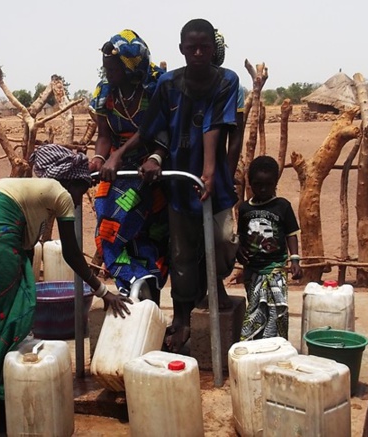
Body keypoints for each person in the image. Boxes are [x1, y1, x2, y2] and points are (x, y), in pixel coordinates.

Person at [0, 144, 131, 434]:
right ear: (72, 180)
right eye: (84, 187)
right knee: (9, 320)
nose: (84, 196)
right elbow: (71, 253)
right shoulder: (61, 193)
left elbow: (23, 249)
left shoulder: (22, 187)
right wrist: (104, 292)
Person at [138, 18, 242, 353]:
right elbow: (157, 130)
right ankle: (182, 316)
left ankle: (214, 284)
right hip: (181, 183)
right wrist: (154, 157)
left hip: (216, 181)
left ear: (214, 48)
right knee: (182, 251)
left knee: (225, 242)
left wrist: (216, 172)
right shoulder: (168, 85)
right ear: (182, 48)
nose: (198, 52)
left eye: (205, 46)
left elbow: (218, 126)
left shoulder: (227, 81)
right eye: (191, 46)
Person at [88, 29, 169, 303]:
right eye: (106, 67)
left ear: (130, 67)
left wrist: (150, 157)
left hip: (151, 165)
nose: (107, 72)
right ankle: (133, 281)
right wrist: (100, 158)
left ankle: (147, 286)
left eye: (113, 68)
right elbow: (103, 135)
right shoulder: (105, 91)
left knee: (150, 233)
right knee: (108, 230)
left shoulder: (157, 86)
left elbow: (155, 130)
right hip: (117, 168)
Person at [236, 156, 302, 340]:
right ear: (250, 183)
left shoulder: (282, 206)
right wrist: (238, 251)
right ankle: (256, 343)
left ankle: (275, 343)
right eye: (258, 184)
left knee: (276, 309)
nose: (263, 189)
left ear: (275, 183)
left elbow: (291, 234)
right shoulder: (244, 209)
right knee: (256, 307)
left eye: (268, 184)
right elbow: (241, 236)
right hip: (252, 270)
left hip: (276, 269)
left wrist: (295, 259)